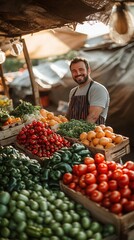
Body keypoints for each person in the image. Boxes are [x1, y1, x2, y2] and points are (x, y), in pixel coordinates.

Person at [66, 57, 110, 124]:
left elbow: (93, 117)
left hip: (92, 133)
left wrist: (77, 132)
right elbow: (68, 116)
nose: (78, 73)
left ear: (88, 70)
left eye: (81, 69)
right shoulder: (73, 92)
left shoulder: (98, 89)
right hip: (72, 133)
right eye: (74, 71)